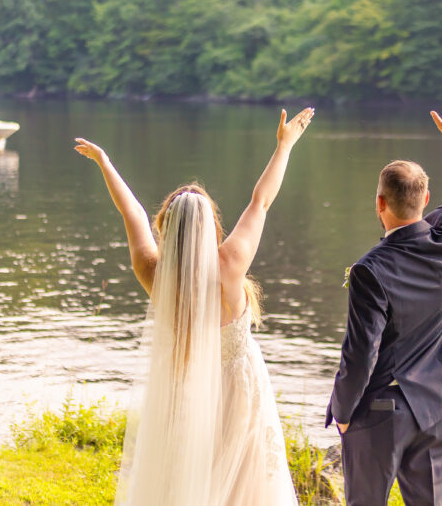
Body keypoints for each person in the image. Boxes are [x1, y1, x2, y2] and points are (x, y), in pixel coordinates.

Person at [74, 106, 315, 506]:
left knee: (189, 482)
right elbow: (262, 201)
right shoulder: (230, 265)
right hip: (239, 391)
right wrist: (284, 145)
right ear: (210, 227)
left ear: (166, 227)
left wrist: (105, 162)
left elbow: (131, 211)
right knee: (244, 486)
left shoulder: (155, 274)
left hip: (185, 390)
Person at [327, 90, 442, 505]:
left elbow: (360, 354)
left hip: (382, 412)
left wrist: (342, 413)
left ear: (379, 203)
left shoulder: (369, 270)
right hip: (436, 406)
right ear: (425, 200)